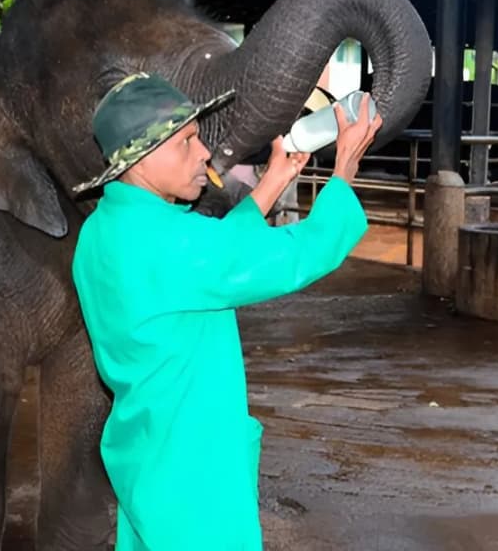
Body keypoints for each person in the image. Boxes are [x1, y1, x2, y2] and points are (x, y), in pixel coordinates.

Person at [71, 72, 381, 550]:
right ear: (141, 157)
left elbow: (213, 256)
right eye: (186, 141)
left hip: (147, 453)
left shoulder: (103, 231)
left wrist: (272, 181)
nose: (203, 153)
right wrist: (343, 172)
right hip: (195, 470)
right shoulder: (171, 244)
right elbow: (299, 254)